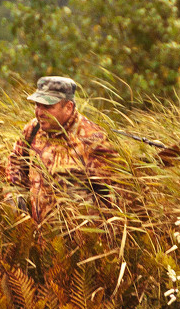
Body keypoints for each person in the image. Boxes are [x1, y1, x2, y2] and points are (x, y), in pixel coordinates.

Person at [7, 76, 117, 221]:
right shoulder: (33, 129)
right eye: (37, 105)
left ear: (68, 107)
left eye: (47, 107)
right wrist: (15, 193)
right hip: (39, 236)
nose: (39, 112)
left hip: (80, 237)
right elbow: (17, 160)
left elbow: (116, 195)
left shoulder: (92, 140)